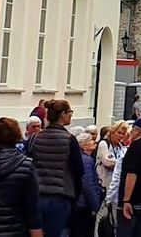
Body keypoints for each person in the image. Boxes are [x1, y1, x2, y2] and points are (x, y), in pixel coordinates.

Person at [28, 99, 97, 237]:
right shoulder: (69, 140)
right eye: (70, 112)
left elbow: (29, 164)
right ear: (63, 114)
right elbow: (78, 172)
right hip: (60, 196)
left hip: (37, 194)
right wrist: (74, 197)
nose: (71, 115)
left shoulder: (35, 138)